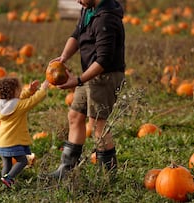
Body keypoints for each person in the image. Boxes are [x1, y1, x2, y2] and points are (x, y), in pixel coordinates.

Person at [48, 0, 125, 179]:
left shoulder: (106, 19)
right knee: (75, 116)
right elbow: (77, 34)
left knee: (97, 123)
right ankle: (66, 170)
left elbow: (104, 60)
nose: (77, 0)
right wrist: (63, 58)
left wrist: (78, 80)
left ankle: (107, 175)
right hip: (90, 74)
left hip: (105, 76)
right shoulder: (88, 9)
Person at [0, 77, 49, 188]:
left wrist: (29, 91)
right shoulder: (18, 107)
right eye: (19, 89)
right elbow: (32, 101)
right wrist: (42, 89)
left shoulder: (2, 105)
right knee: (23, 161)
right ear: (14, 92)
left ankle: (4, 182)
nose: (20, 91)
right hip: (13, 141)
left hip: (1, 142)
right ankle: (8, 178)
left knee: (7, 164)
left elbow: (18, 99)